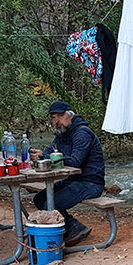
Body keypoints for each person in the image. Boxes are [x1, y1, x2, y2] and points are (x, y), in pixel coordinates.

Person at [28, 100, 105, 246]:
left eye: (60, 116)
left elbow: (75, 161)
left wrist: (48, 157)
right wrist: (41, 154)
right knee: (39, 199)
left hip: (90, 183)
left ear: (70, 115)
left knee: (51, 202)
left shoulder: (82, 133)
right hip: (73, 181)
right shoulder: (62, 132)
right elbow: (52, 150)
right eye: (53, 117)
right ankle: (73, 226)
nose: (56, 121)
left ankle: (67, 230)